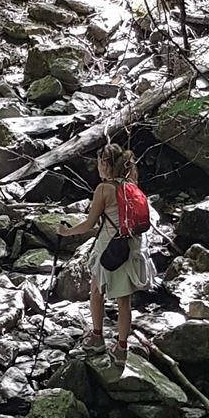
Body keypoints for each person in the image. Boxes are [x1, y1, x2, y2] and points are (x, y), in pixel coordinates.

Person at [57, 142, 155, 364]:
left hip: (109, 248)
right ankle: (121, 348)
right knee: (124, 301)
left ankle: (97, 337)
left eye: (99, 162)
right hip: (131, 246)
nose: (97, 167)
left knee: (96, 291)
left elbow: (90, 224)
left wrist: (66, 232)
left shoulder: (103, 189)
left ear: (106, 164)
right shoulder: (132, 186)